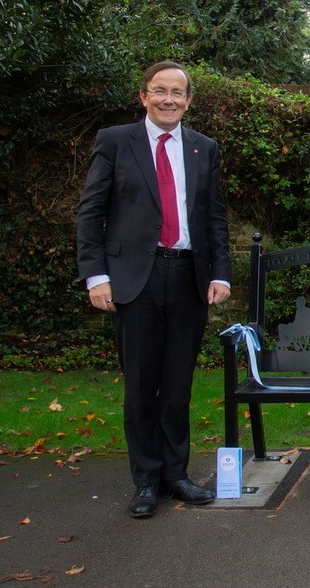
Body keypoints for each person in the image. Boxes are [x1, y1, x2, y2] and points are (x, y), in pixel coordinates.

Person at [76, 61, 232, 519]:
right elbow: (90, 214)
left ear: (188, 101)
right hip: (133, 280)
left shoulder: (204, 148)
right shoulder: (115, 141)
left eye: (178, 93)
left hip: (188, 278)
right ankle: (145, 481)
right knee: (143, 385)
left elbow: (215, 217)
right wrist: (96, 275)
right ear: (143, 96)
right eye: (160, 91)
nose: (169, 99)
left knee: (179, 384)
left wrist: (220, 273)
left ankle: (175, 475)